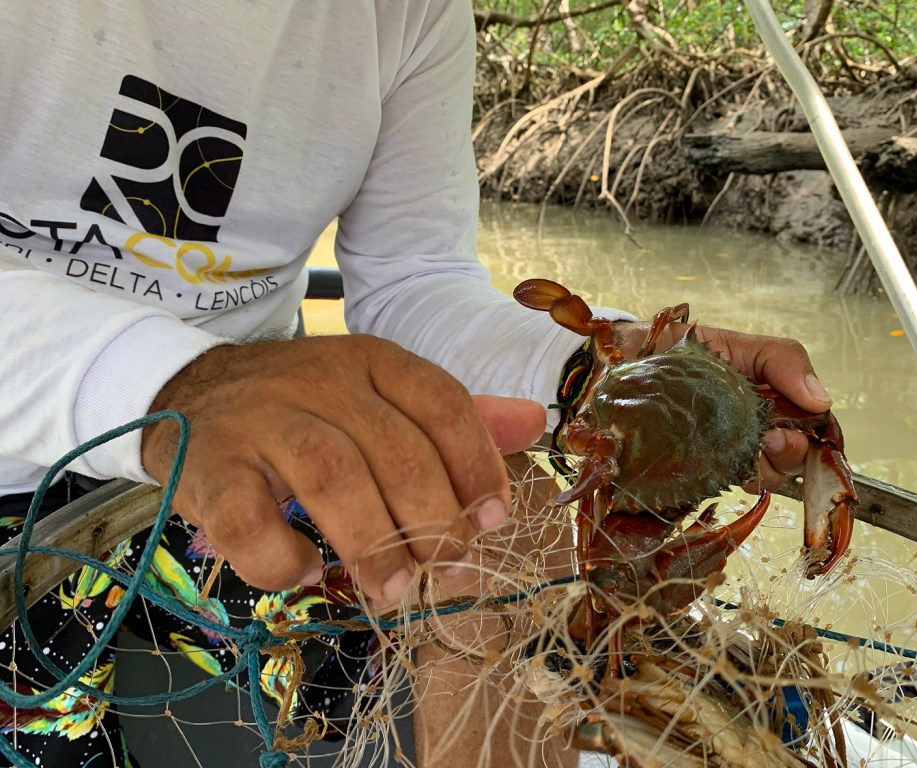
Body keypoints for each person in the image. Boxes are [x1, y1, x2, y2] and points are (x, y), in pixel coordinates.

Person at [0, 1, 835, 766]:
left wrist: (597, 376)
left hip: (255, 468)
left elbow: (413, 280)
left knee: (506, 522)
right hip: (22, 463)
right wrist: (174, 382)